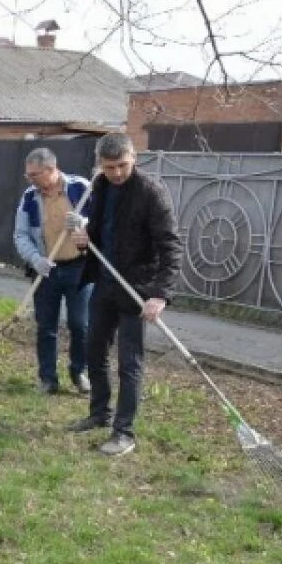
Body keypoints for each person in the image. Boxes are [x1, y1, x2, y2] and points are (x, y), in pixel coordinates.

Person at [69, 132, 182, 456]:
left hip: (137, 289)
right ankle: (99, 413)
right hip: (105, 284)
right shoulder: (100, 186)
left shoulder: (151, 193)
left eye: (122, 165)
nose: (116, 172)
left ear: (134, 158)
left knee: (129, 362)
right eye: (109, 167)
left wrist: (160, 294)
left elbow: (171, 247)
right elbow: (103, 233)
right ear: (100, 165)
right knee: (94, 351)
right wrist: (85, 239)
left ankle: (124, 432)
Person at [12, 147, 93, 395]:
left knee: (80, 324)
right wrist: (36, 259)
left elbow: (102, 222)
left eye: (34, 175)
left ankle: (79, 372)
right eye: (28, 175)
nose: (30, 180)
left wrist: (84, 224)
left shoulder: (81, 188)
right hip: (46, 271)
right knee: (46, 325)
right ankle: (48, 378)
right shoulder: (29, 198)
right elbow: (21, 234)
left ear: (51, 169)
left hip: (79, 267)